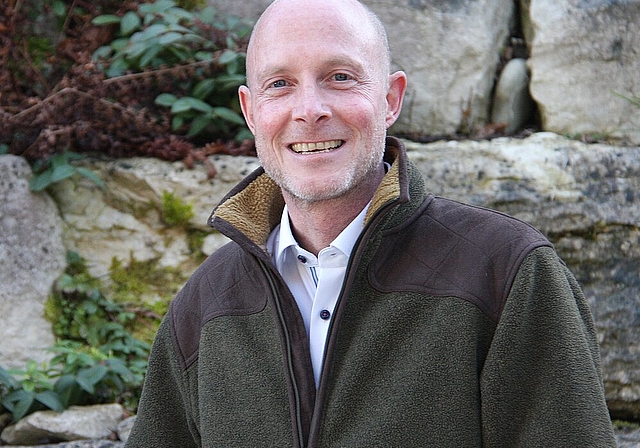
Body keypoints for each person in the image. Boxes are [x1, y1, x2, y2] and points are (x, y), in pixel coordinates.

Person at [125, 0, 617, 446]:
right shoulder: (205, 304)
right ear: (252, 112)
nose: (310, 110)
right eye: (280, 84)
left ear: (390, 98)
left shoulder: (506, 274)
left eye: (340, 77)